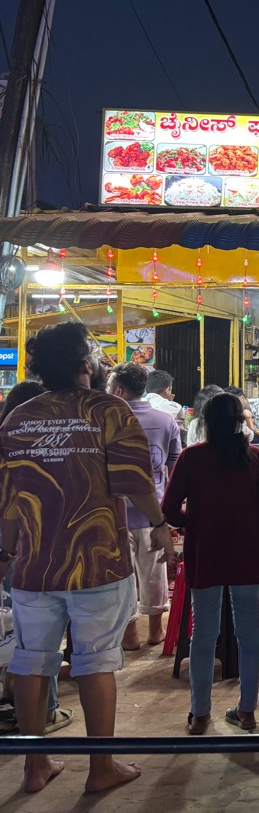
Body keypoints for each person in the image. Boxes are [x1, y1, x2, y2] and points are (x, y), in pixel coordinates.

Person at [0, 322, 168, 793]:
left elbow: (8, 499)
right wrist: (159, 526)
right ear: (84, 365)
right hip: (98, 559)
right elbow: (135, 482)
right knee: (96, 661)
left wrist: (5, 553)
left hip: (33, 564)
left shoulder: (17, 419)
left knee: (31, 660)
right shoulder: (107, 410)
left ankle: (34, 768)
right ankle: (101, 768)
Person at [162, 393, 259, 734]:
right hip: (248, 554)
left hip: (206, 553)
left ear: (206, 422)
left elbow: (169, 508)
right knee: (249, 632)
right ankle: (248, 710)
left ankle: (200, 714)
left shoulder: (192, 457)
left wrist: (192, 521)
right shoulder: (256, 457)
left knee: (203, 634)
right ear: (240, 421)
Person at [0, 379, 72, 737]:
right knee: (36, 647)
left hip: (12, 554)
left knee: (20, 640)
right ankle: (47, 712)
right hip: (27, 553)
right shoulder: (38, 448)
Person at [107, 362, 182, 651]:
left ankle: (129, 637)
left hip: (116, 511)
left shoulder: (109, 420)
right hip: (155, 511)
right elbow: (174, 463)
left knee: (122, 575)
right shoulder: (166, 420)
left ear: (120, 389)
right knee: (154, 572)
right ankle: (155, 632)